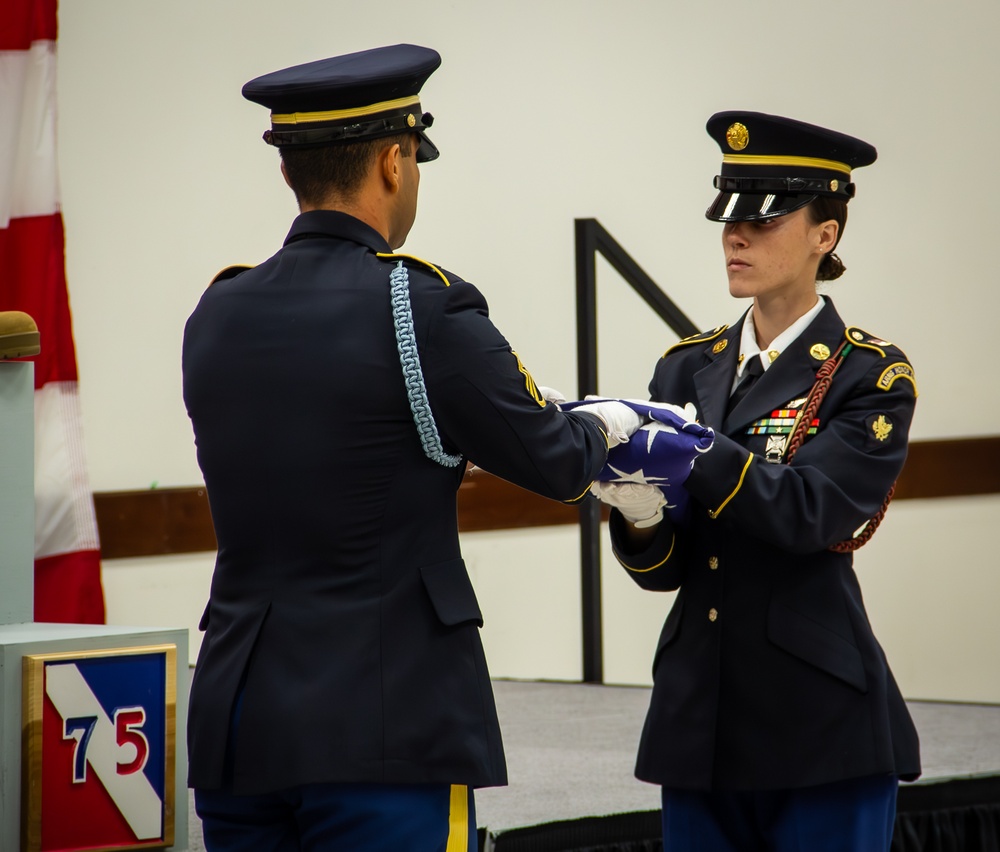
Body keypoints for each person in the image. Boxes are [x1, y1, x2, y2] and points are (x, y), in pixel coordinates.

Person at [182, 44, 640, 852]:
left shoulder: (217, 310)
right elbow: (560, 461)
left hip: (239, 722)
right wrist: (614, 424)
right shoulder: (419, 303)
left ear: (291, 171)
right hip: (385, 726)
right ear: (394, 162)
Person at [591, 111, 921, 851]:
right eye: (729, 219)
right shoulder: (688, 367)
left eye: (764, 220)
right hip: (699, 714)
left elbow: (809, 514)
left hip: (817, 720)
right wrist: (640, 514)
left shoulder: (870, 376)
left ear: (824, 235)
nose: (735, 237)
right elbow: (667, 567)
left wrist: (692, 449)